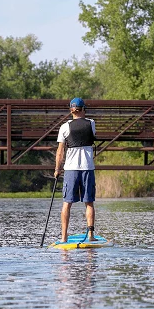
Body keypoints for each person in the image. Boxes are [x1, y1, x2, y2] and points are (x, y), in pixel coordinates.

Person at [54, 98, 96, 243]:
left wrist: (57, 169)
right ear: (83, 109)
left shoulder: (64, 127)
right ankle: (91, 236)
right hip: (87, 168)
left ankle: (64, 237)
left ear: (71, 110)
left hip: (71, 169)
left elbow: (60, 152)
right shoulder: (91, 123)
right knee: (89, 203)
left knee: (67, 203)